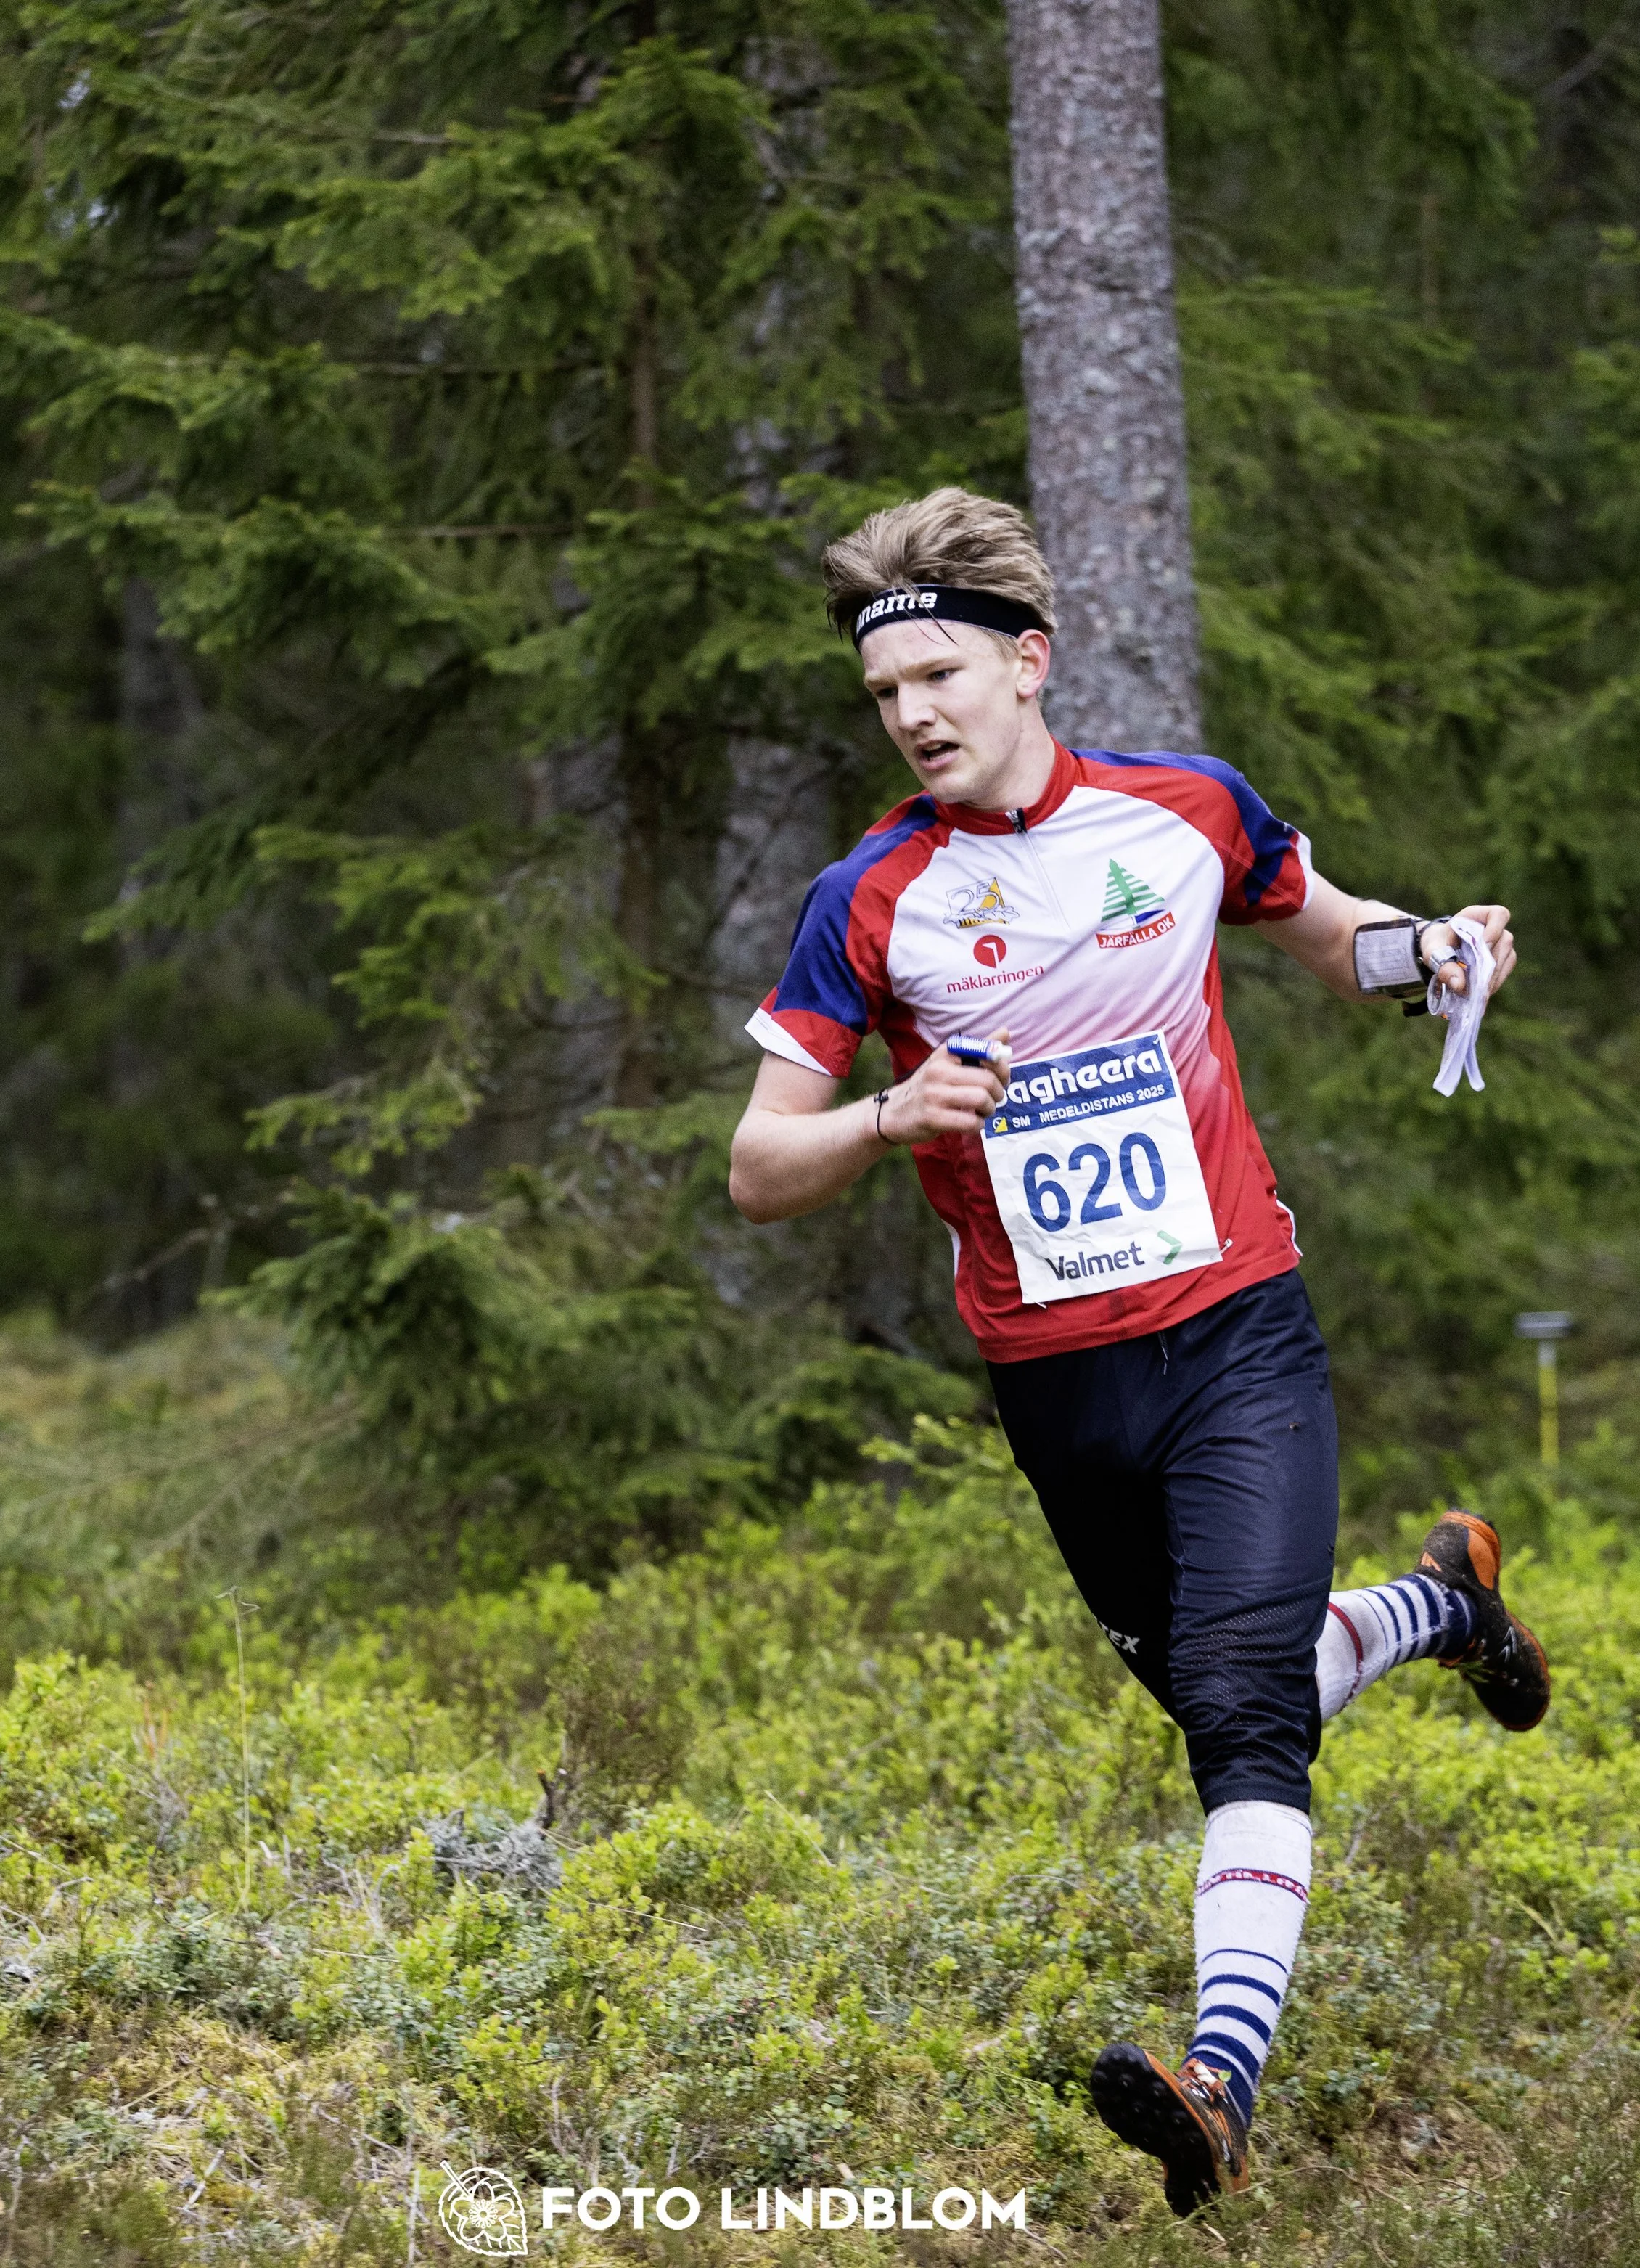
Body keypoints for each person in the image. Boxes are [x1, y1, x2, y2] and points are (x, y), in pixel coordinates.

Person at [728, 487, 1549, 2217]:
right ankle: (1439, 1606)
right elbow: (755, 1167)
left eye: (941, 676)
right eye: (886, 699)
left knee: (1240, 1710)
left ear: (1027, 663)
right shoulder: (869, 899)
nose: (917, 716)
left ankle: (1218, 2081)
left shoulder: (1180, 813)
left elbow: (1337, 940)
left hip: (1235, 1326)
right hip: (1056, 1380)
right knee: (1218, 1682)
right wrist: (888, 1111)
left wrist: (1439, 950)